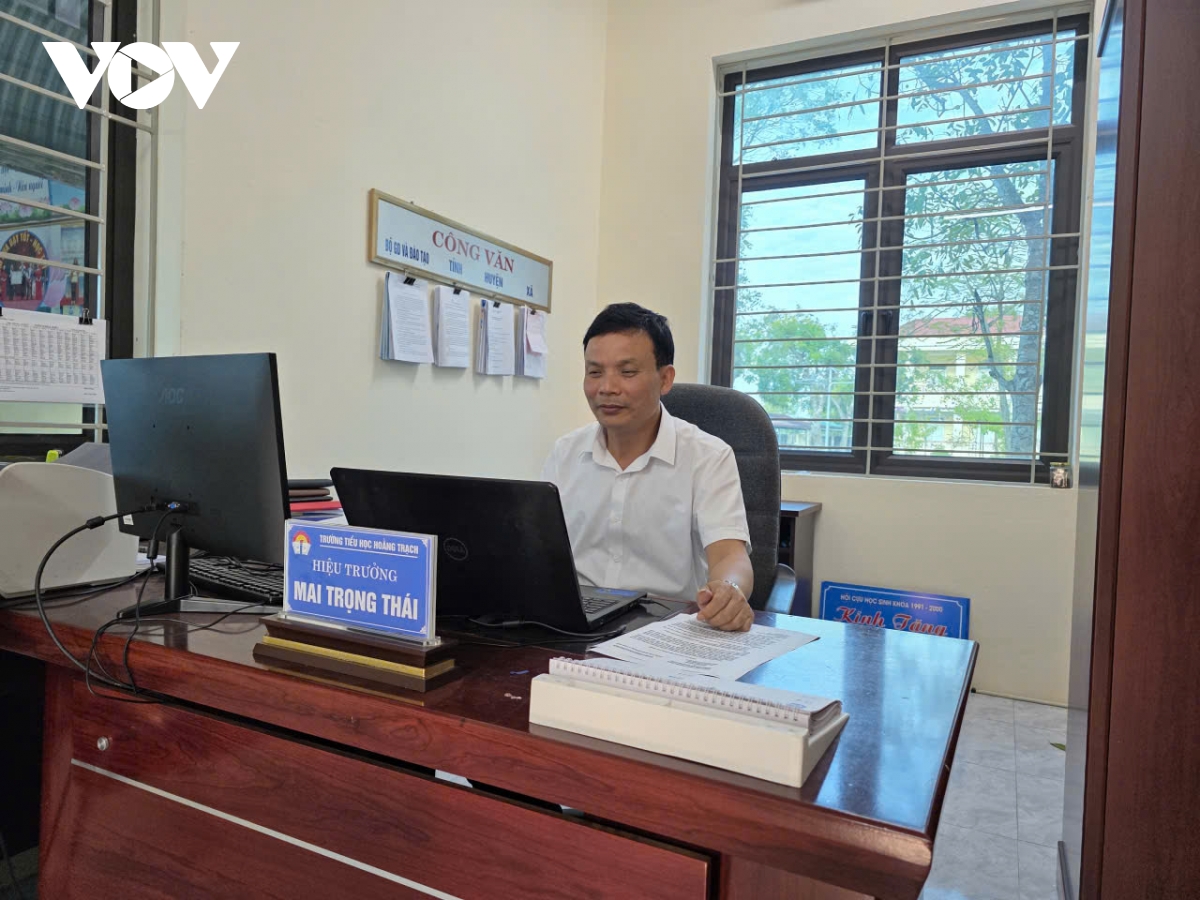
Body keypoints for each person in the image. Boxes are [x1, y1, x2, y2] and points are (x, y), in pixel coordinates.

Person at [542, 303, 755, 632]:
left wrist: (730, 589)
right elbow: (541, 551)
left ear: (665, 379)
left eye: (627, 372)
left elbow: (729, 554)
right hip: (574, 625)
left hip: (669, 628)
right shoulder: (565, 452)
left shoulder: (708, 456)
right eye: (595, 372)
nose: (607, 387)